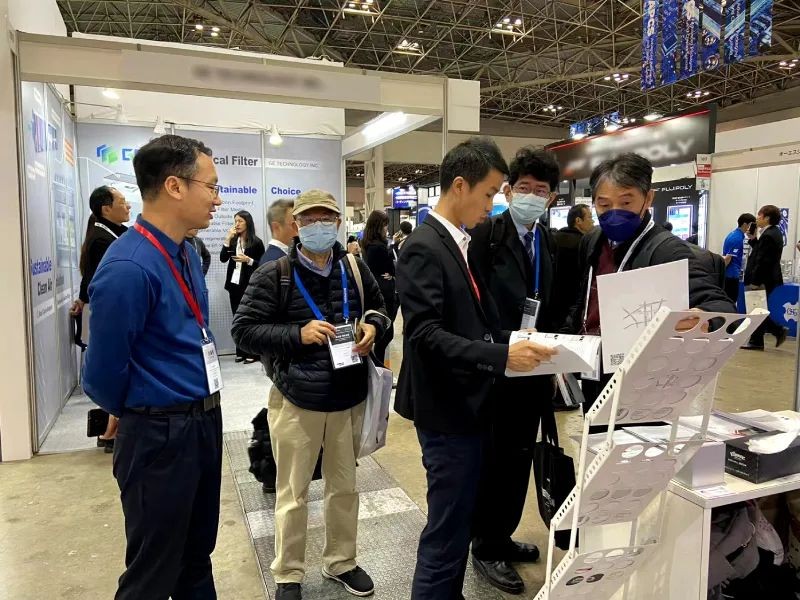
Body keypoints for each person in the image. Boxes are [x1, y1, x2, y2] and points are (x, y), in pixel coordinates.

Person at [395, 137, 555, 600]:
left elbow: (472, 324)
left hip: (468, 407)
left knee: (459, 520)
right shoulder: (426, 245)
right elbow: (425, 335)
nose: (492, 205)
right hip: (447, 411)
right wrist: (503, 357)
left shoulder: (457, 242)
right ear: (461, 186)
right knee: (446, 532)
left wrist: (517, 342)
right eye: (488, 194)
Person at [82, 134, 224, 599]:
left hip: (202, 421)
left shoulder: (186, 252)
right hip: (160, 435)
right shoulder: (129, 267)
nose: (217, 199)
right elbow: (101, 375)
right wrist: (148, 411)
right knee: (153, 570)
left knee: (196, 556)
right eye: (211, 186)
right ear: (175, 186)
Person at [232, 189, 390, 600]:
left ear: (337, 223)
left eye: (326, 218)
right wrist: (296, 334)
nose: (318, 226)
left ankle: (341, 561)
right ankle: (288, 573)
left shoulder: (353, 266)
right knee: (292, 492)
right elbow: (243, 331)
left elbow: (381, 307)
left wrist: (373, 326)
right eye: (309, 219)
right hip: (297, 399)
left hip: (348, 397)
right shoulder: (275, 273)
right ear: (296, 225)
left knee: (345, 487)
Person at [562, 153, 736, 415]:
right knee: (595, 433)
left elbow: (721, 305)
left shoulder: (666, 250)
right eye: (604, 204)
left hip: (643, 378)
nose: (614, 213)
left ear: (648, 198)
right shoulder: (593, 241)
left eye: (626, 202)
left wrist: (703, 318)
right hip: (595, 367)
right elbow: (586, 297)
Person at [467, 147, 562, 595]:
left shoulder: (548, 240)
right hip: (497, 367)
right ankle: (485, 546)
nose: (531, 196)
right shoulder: (486, 235)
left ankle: (502, 536)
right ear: (508, 191)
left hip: (535, 368)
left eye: (540, 190)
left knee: (520, 456)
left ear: (552, 198)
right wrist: (499, 348)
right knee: (494, 459)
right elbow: (473, 305)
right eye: (524, 187)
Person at [71, 185, 130, 451]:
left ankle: (110, 431)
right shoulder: (101, 239)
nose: (128, 206)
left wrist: (82, 298)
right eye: (122, 201)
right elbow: (98, 280)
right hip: (111, 317)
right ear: (106, 208)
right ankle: (109, 433)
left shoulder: (113, 233)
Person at [220, 210, 265, 363]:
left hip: (249, 285)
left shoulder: (256, 242)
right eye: (235, 221)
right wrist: (227, 239)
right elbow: (223, 258)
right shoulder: (233, 241)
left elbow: (262, 265)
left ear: (247, 222)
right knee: (237, 318)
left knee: (249, 318)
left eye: (240, 221)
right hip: (234, 285)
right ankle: (240, 351)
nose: (237, 224)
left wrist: (248, 260)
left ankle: (252, 352)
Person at [742, 205, 788, 350]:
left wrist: (755, 281)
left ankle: (764, 337)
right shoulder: (772, 233)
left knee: (756, 310)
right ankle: (769, 335)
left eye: (759, 215)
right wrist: (753, 239)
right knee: (757, 310)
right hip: (766, 279)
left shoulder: (769, 235)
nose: (757, 218)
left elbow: (763, 261)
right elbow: (760, 252)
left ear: (767, 218)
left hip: (762, 280)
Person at [361, 210, 397, 364]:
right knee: (386, 333)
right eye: (385, 225)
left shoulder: (366, 244)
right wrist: (393, 273)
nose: (386, 228)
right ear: (379, 226)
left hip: (375, 290)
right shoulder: (379, 247)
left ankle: (379, 365)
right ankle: (379, 366)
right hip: (385, 292)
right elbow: (391, 268)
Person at [553, 203, 595, 329]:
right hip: (574, 305)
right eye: (590, 217)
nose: (593, 222)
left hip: (553, 305)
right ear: (578, 221)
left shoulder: (554, 238)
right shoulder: (584, 245)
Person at [722, 213, 756, 303]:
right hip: (731, 275)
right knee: (731, 301)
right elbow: (728, 258)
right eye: (752, 225)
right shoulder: (737, 238)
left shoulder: (736, 235)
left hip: (732, 274)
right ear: (745, 224)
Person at [260, 198, 295, 266]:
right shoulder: (273, 262)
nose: (299, 229)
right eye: (294, 224)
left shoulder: (283, 256)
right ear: (276, 227)